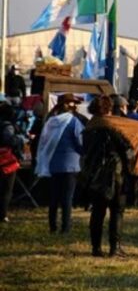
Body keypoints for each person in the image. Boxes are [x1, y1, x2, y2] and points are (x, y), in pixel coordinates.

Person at [81, 95, 132, 257]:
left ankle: (96, 248)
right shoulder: (112, 127)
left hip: (94, 174)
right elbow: (127, 150)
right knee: (117, 211)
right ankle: (114, 248)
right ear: (109, 108)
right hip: (114, 174)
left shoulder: (88, 127)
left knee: (97, 212)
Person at [36, 94, 84, 234]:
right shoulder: (74, 122)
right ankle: (65, 227)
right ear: (67, 105)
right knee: (67, 198)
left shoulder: (51, 122)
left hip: (53, 164)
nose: (75, 106)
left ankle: (52, 226)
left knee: (54, 197)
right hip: (71, 164)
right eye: (73, 103)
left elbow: (44, 142)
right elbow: (80, 142)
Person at [0, 102, 24, 223]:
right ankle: (3, 214)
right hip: (6, 161)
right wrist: (20, 139)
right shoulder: (8, 126)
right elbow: (9, 140)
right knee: (7, 189)